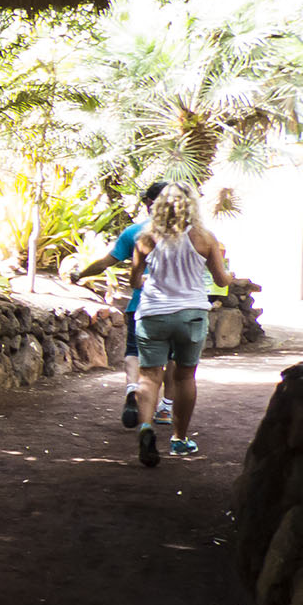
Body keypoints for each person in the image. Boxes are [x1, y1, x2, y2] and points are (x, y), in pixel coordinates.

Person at [129, 182, 232, 467]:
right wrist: (229, 275)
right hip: (192, 314)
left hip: (153, 314)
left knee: (149, 377)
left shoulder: (146, 237)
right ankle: (179, 439)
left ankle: (146, 427)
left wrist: (148, 279)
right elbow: (222, 281)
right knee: (185, 377)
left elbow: (134, 281)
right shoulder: (204, 238)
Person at [76, 182, 177, 429]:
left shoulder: (134, 232)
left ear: (148, 203)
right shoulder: (187, 233)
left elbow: (104, 263)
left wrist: (79, 275)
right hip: (177, 305)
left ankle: (132, 390)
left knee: (134, 353)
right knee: (172, 358)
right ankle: (165, 408)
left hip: (141, 305)